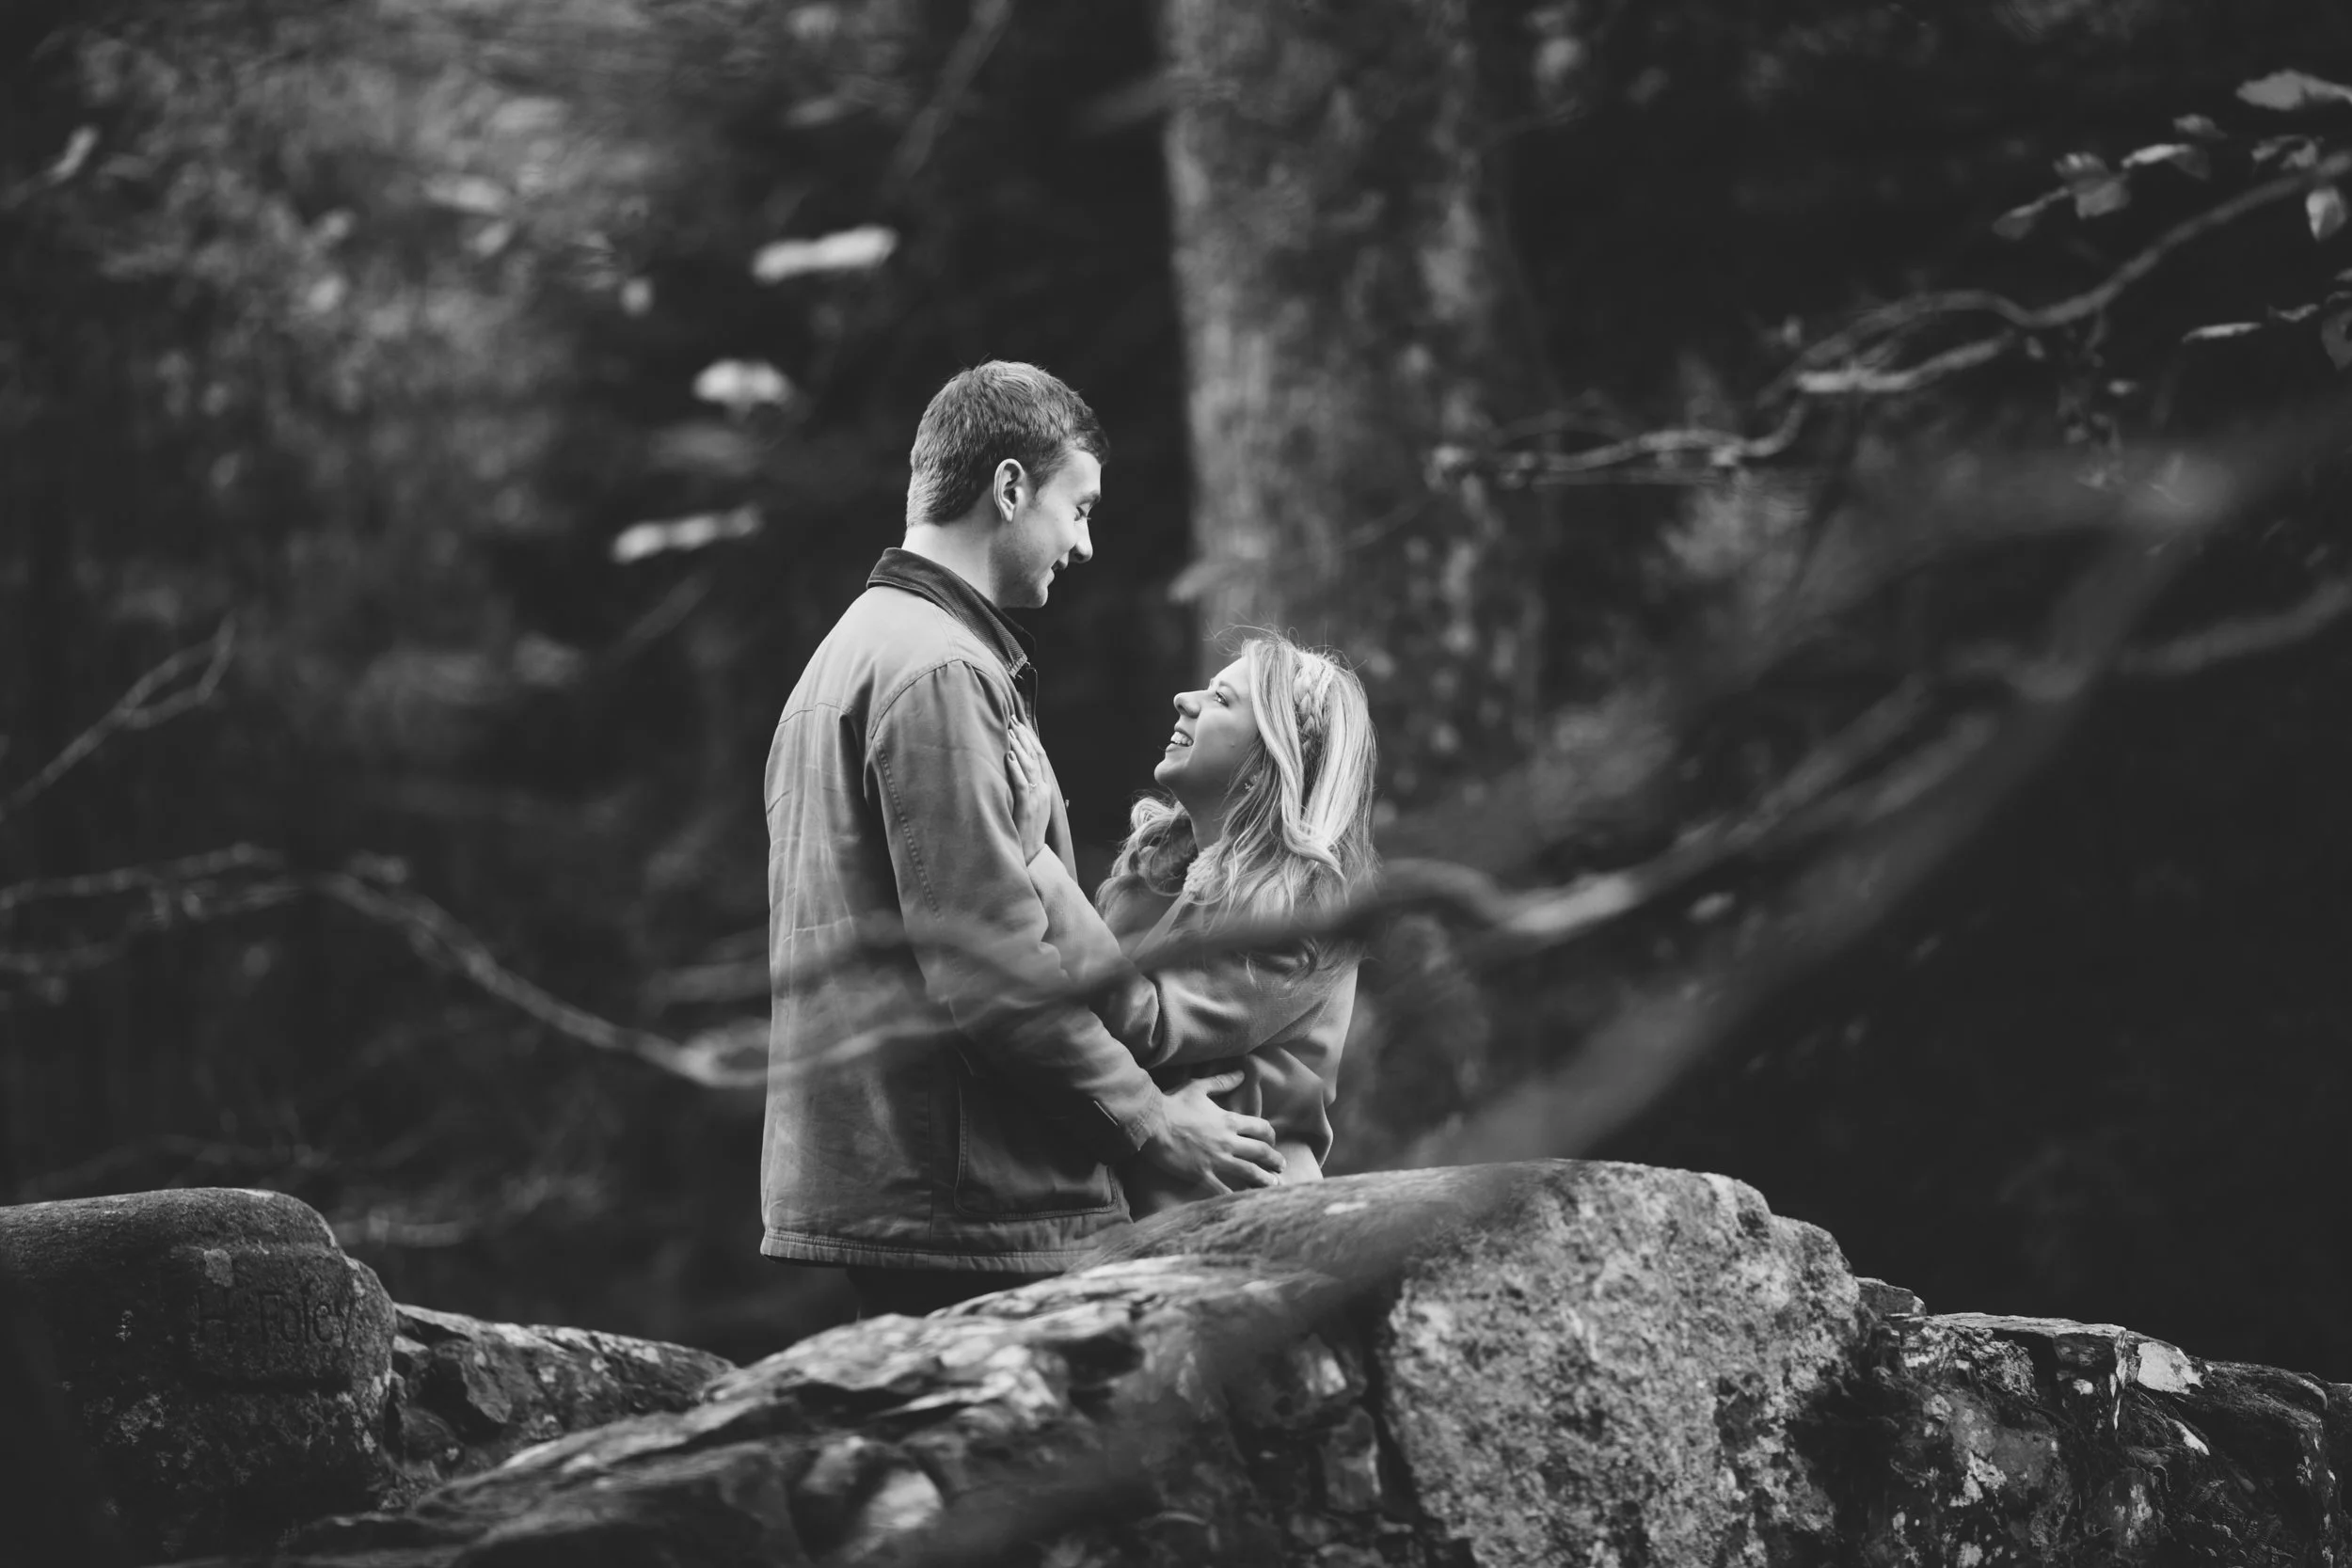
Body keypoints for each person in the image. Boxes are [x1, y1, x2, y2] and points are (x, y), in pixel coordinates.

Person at [760, 361, 1285, 1320]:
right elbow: (991, 969)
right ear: (1009, 488)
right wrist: (1152, 1124)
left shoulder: (858, 649)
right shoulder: (938, 671)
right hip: (969, 1200)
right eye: (1077, 508)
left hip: (920, 1186)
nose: (1084, 544)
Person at [1020, 633, 1379, 1215]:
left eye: (1221, 699)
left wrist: (1037, 863)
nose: (1184, 699)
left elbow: (1146, 1022)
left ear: (1270, 759)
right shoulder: (1154, 881)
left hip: (1250, 1215)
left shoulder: (1297, 916)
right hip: (1151, 1212)